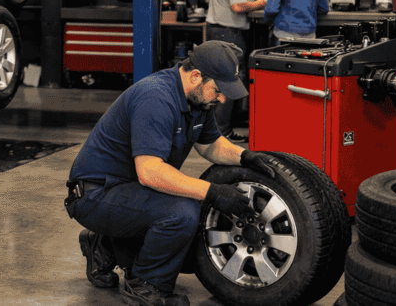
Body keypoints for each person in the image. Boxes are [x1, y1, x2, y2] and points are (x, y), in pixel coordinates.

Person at [65, 41, 278, 306]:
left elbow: (210, 145)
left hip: (129, 191)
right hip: (96, 195)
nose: (222, 99)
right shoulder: (156, 98)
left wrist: (245, 156)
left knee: (190, 234)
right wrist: (212, 192)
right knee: (182, 213)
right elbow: (150, 172)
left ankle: (105, 247)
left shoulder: (198, 100)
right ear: (196, 76)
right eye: (218, 90)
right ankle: (145, 286)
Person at [205, 0, 266, 143]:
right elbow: (238, 6)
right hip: (228, 34)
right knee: (230, 81)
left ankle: (219, 128)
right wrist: (264, 2)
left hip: (221, 32)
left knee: (224, 80)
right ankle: (221, 131)